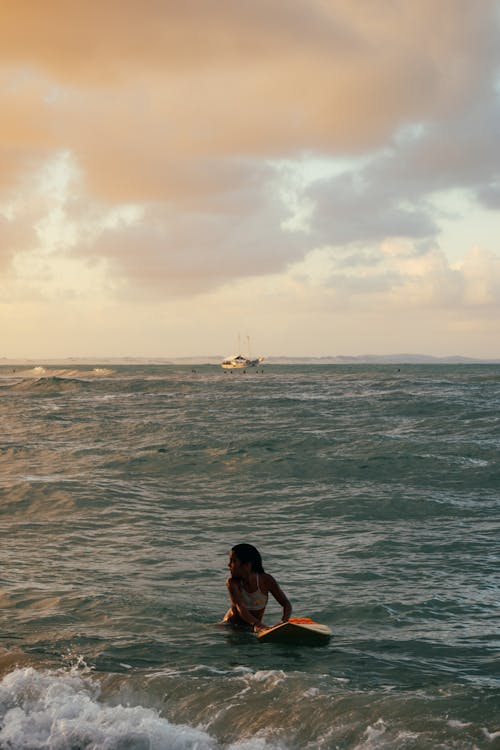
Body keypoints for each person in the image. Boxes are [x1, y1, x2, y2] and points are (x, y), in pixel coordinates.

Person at [223, 543, 292, 633]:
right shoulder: (233, 583)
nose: (229, 565)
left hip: (253, 627)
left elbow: (286, 604)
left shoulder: (266, 580)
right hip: (231, 627)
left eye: (233, 561)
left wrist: (284, 622)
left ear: (247, 565)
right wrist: (257, 624)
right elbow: (241, 608)